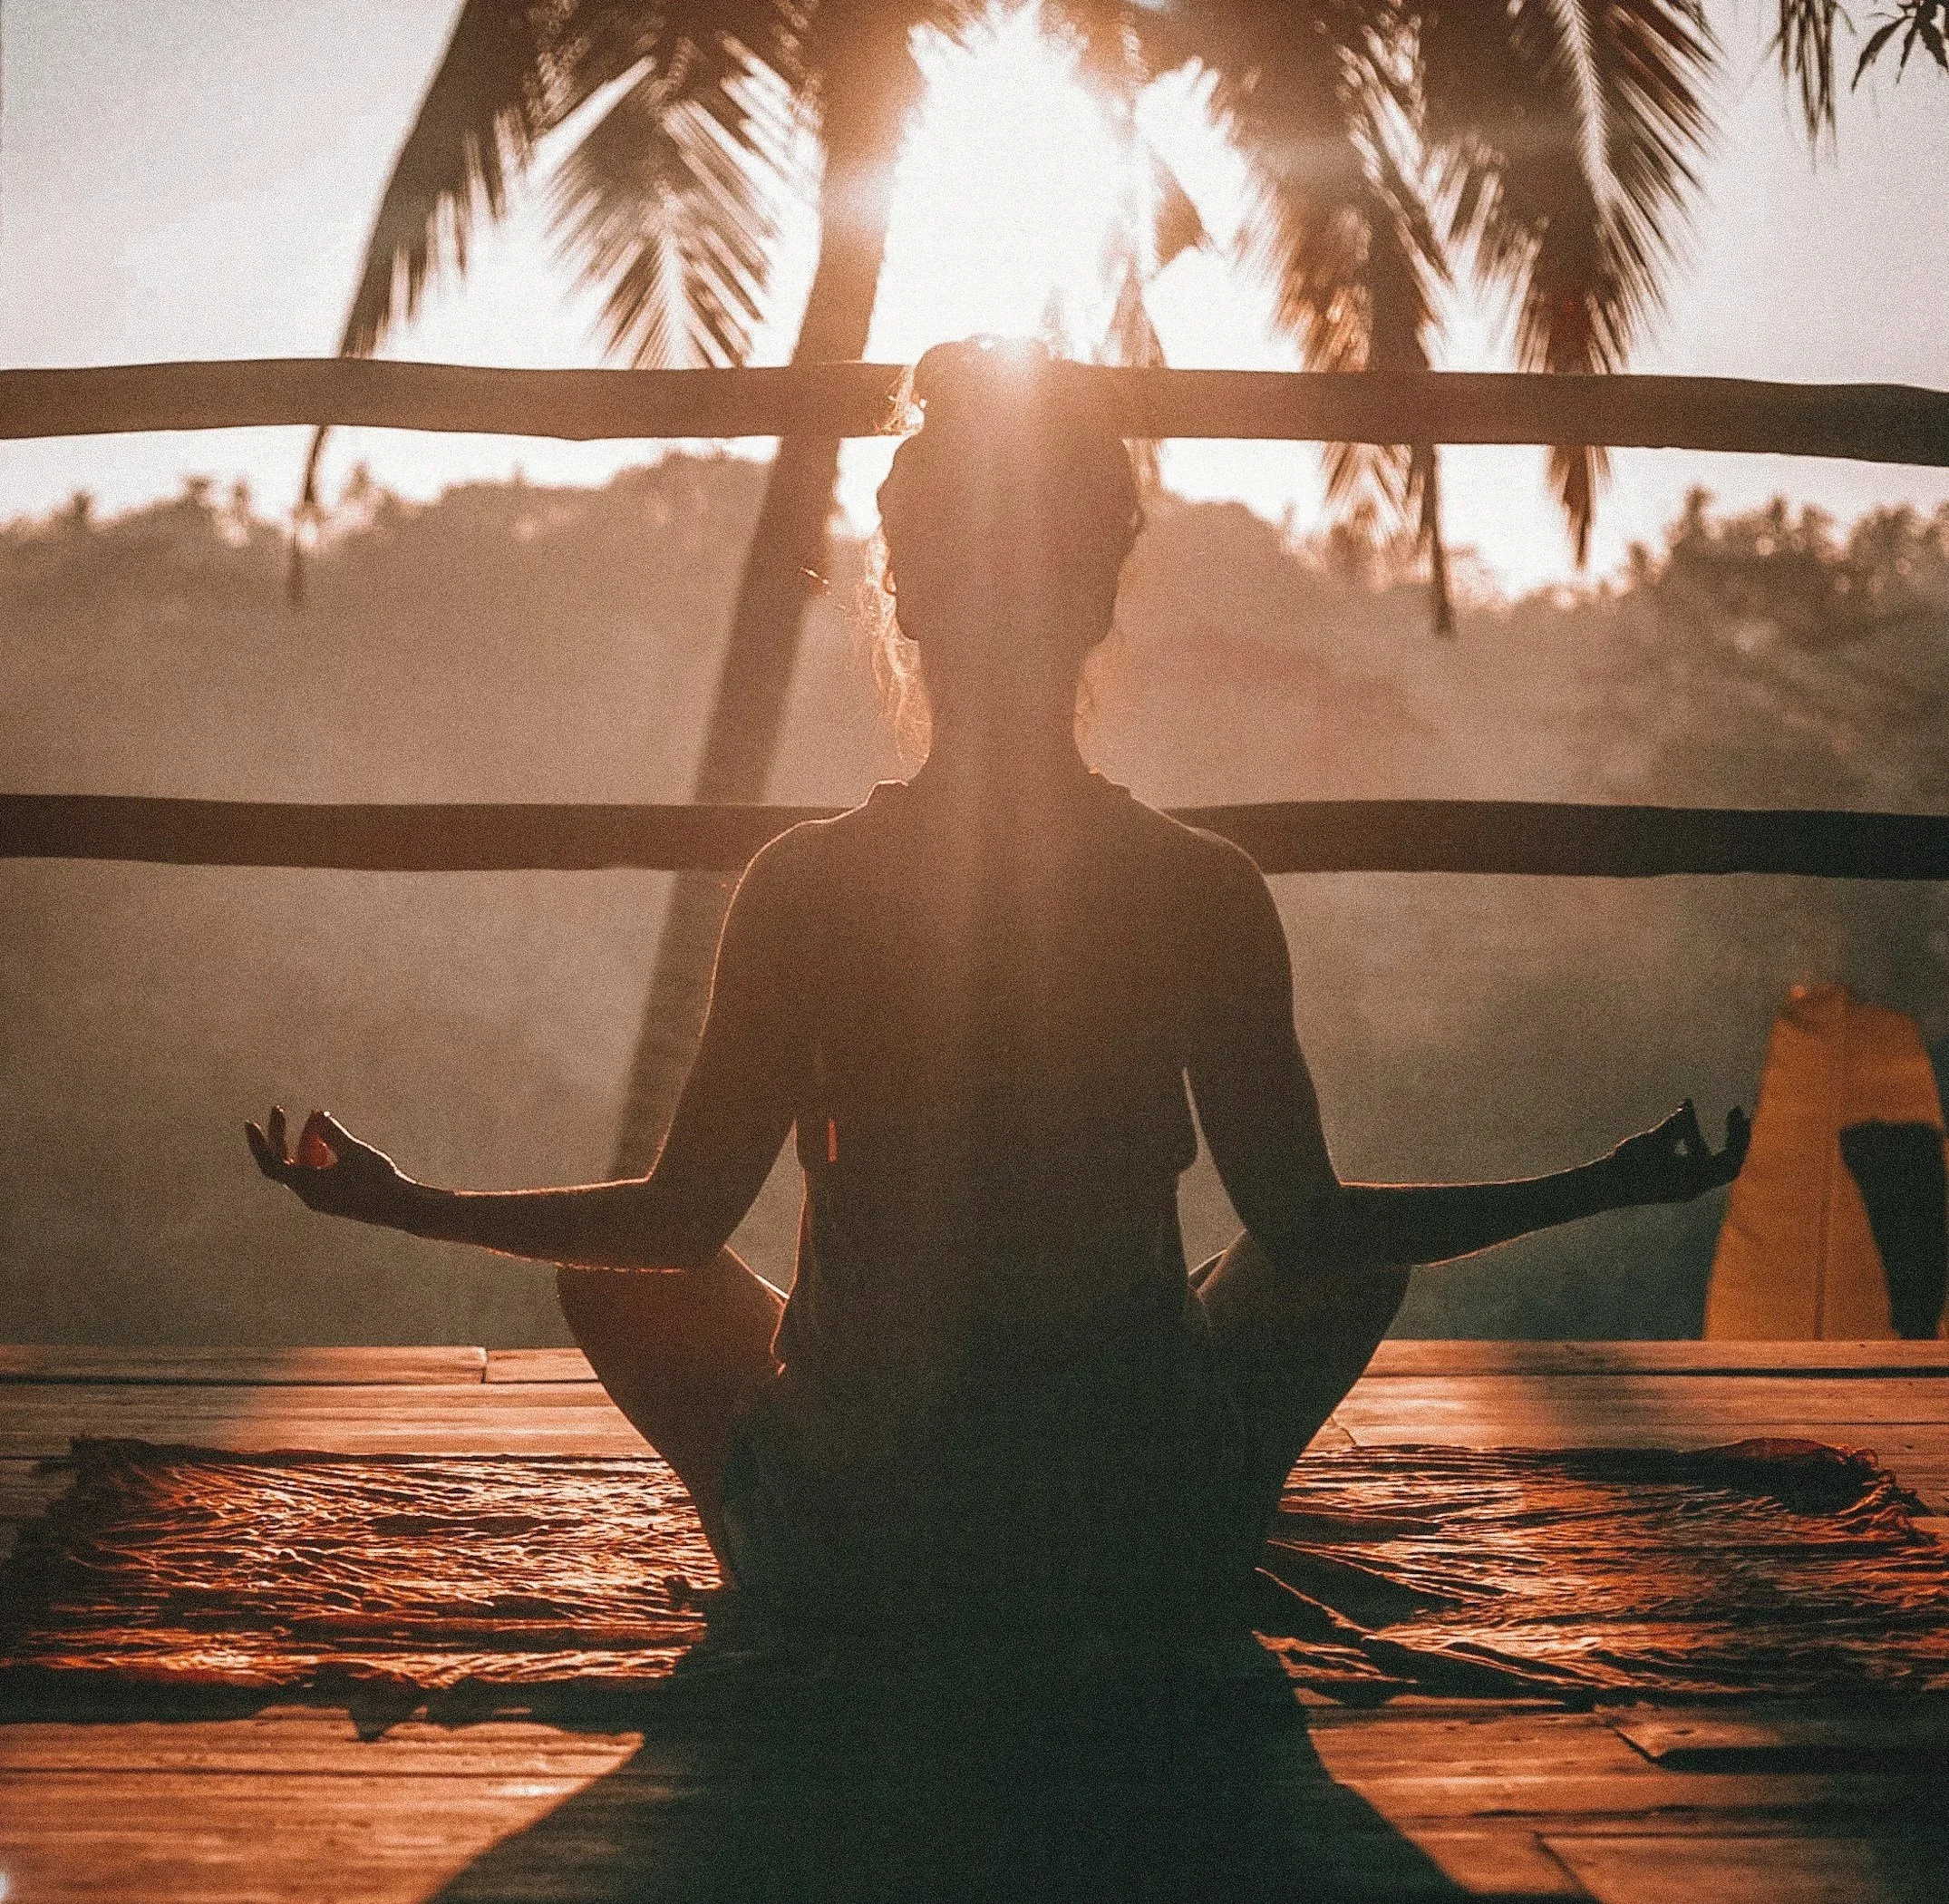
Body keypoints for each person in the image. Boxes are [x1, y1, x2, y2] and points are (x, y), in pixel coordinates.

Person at [249, 337, 1748, 1649]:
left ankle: (788, 1555)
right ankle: (1198, 1527)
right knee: (1342, 1257)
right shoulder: (1197, 885)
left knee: (617, 1278)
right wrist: (1599, 1185)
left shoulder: (807, 885)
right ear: (1097, 602)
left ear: (903, 601)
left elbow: (672, 1226)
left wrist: (409, 1203)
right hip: (1131, 1537)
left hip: (866, 1545)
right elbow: (1312, 1230)